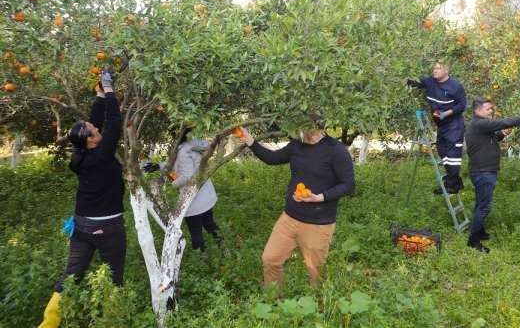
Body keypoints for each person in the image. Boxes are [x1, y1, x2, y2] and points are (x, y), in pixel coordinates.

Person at [39, 69, 125, 328]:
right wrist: (109, 91)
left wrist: (98, 97)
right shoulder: (101, 154)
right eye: (91, 130)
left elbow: (96, 124)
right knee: (114, 273)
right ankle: (111, 317)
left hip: (82, 225)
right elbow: (114, 124)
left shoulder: (81, 156)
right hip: (106, 226)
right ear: (90, 141)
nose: (94, 127)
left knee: (72, 273)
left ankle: (48, 323)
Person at [237, 124, 355, 289]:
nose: (298, 131)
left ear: (317, 126)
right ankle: (273, 299)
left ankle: (317, 307)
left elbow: (348, 184)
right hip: (289, 218)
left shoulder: (335, 150)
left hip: (318, 223)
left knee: (316, 273)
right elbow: (272, 158)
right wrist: (249, 140)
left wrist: (320, 197)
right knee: (270, 259)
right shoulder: (296, 145)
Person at [465, 97, 520, 252]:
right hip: (483, 172)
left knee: (480, 204)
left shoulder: (481, 126)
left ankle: (479, 231)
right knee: (484, 207)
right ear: (477, 110)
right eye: (488, 109)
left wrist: (502, 134)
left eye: (491, 108)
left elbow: (489, 140)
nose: (491, 111)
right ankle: (473, 240)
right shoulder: (480, 123)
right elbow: (504, 122)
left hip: (483, 171)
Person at [143, 129, 229, 261]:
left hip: (193, 199)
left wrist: (173, 185)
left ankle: (202, 261)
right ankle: (225, 250)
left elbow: (187, 176)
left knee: (196, 232)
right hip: (205, 196)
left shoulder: (182, 151)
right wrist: (159, 165)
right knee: (209, 224)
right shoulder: (190, 145)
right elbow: (180, 165)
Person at [407, 63, 467, 194]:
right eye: (433, 68)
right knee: (442, 150)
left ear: (446, 70)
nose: (434, 70)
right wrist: (405, 77)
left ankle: (451, 185)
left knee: (453, 156)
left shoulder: (455, 86)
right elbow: (414, 81)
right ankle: (455, 182)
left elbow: (462, 105)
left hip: (454, 125)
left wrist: (447, 113)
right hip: (441, 125)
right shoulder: (430, 82)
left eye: (438, 68)